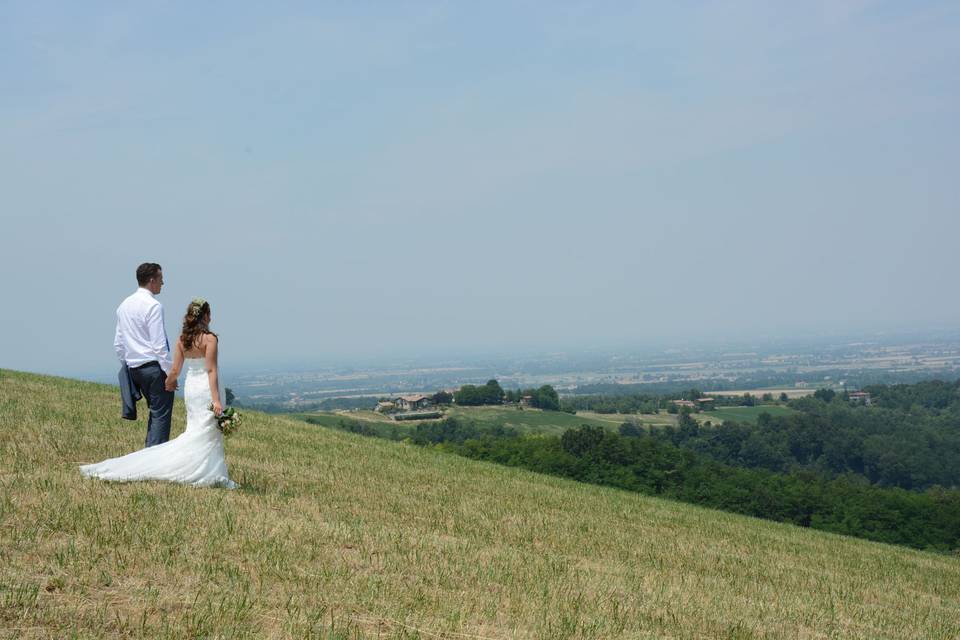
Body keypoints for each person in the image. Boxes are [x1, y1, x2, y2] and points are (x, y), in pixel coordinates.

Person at [80, 298, 237, 489]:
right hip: (206, 387)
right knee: (208, 430)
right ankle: (211, 472)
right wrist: (216, 400)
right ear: (205, 316)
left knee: (196, 429)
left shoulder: (182, 340)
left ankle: (210, 470)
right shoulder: (210, 339)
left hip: (192, 388)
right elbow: (211, 370)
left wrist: (170, 383)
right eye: (209, 314)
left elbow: (175, 371)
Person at [114, 263, 175, 446]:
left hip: (134, 368)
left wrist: (127, 363)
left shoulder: (124, 305)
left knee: (155, 413)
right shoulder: (154, 306)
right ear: (152, 280)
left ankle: (148, 452)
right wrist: (170, 373)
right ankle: (153, 460)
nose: (163, 283)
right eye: (160, 279)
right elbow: (159, 344)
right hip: (153, 368)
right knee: (160, 416)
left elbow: (118, 342)